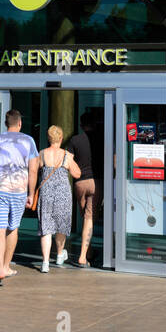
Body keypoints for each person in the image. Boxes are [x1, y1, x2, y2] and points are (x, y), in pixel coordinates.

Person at [0, 109, 39, 285]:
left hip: (0, 189)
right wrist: (31, 193)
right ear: (19, 123)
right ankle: (6, 266)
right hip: (19, 191)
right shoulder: (29, 141)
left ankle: (0, 269)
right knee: (13, 228)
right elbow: (34, 169)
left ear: (6, 124)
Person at [36, 125, 81, 272]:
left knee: (46, 228)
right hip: (62, 194)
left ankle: (45, 263)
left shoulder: (42, 154)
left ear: (49, 138)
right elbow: (77, 174)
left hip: (46, 193)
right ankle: (60, 255)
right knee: (61, 225)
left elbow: (33, 170)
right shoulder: (66, 155)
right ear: (61, 139)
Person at [68, 111, 101, 268]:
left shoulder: (75, 140)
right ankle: (82, 257)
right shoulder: (103, 138)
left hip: (80, 183)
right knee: (89, 219)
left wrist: (77, 172)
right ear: (95, 124)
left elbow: (67, 160)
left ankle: (88, 252)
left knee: (85, 219)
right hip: (96, 182)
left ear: (81, 125)